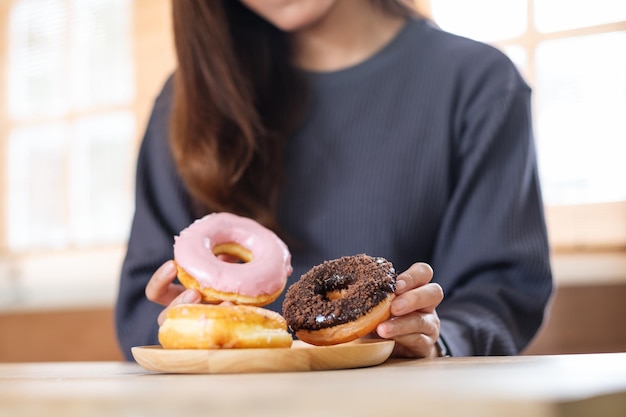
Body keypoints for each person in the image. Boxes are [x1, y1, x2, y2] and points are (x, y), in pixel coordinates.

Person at [115, 0, 553, 360]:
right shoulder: (190, 101)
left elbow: (502, 293)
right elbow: (138, 309)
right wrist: (188, 324)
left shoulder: (478, 84)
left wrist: (434, 339)